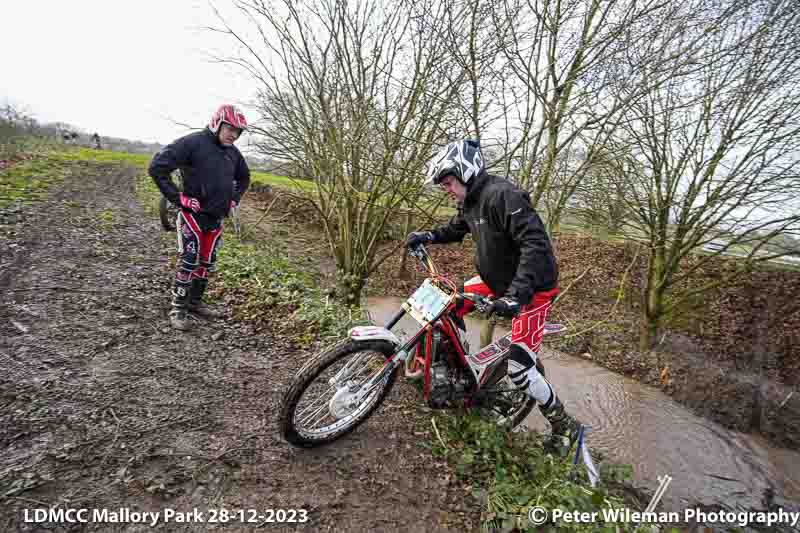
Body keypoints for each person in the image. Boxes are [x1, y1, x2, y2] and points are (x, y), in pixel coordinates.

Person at [405, 139, 582, 457]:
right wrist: (428, 236)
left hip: (532, 290)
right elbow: (458, 228)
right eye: (443, 185)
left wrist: (516, 296)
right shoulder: (470, 201)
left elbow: (536, 245)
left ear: (465, 171)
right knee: (447, 303)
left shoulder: (504, 196)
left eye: (447, 182)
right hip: (494, 281)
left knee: (520, 371)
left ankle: (564, 425)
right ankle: (459, 374)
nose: (445, 189)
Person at [148, 104, 251, 331]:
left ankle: (195, 303)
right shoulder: (192, 143)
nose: (233, 135)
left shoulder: (233, 153)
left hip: (215, 219)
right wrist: (178, 198)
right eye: (230, 129)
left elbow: (244, 178)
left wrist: (234, 199)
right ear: (217, 123)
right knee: (189, 261)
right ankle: (178, 308)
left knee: (206, 263)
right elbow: (157, 167)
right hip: (192, 216)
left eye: (238, 132)